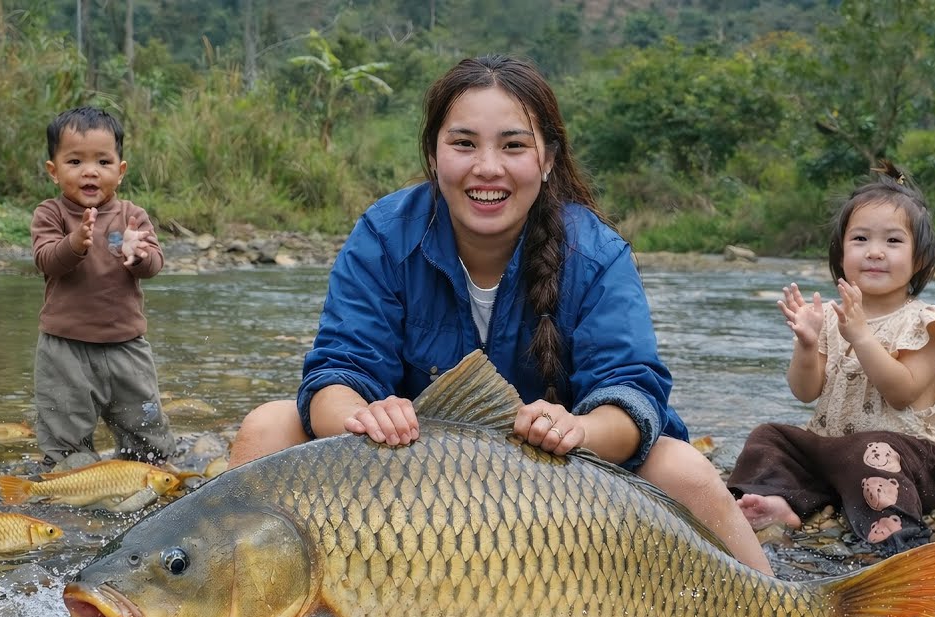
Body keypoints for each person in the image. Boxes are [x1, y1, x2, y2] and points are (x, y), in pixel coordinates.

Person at [228, 54, 772, 575]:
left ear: (548, 158)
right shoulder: (383, 234)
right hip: (415, 480)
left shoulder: (598, 253)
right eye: (463, 144)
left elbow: (632, 394)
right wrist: (361, 415)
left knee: (685, 467)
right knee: (269, 426)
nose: (487, 168)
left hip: (565, 485)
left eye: (514, 146)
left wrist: (578, 429)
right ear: (434, 153)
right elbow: (336, 371)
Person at [728, 164, 935, 555]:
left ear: (921, 259)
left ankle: (898, 542)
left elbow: (902, 393)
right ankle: (780, 503)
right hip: (837, 450)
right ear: (841, 252)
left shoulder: (929, 324)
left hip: (914, 461)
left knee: (869, 453)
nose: (874, 251)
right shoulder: (829, 316)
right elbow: (805, 391)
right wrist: (807, 344)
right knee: (769, 437)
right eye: (860, 239)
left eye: (893, 241)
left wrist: (860, 336)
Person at [30, 106, 175, 469]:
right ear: (54, 170)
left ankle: (146, 488)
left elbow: (155, 265)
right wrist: (75, 243)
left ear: (120, 171)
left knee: (147, 438)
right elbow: (46, 259)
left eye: (103, 161)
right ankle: (71, 497)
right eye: (75, 161)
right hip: (64, 350)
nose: (90, 171)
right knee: (64, 440)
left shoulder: (132, 216)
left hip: (127, 348)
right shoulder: (51, 214)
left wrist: (138, 254)